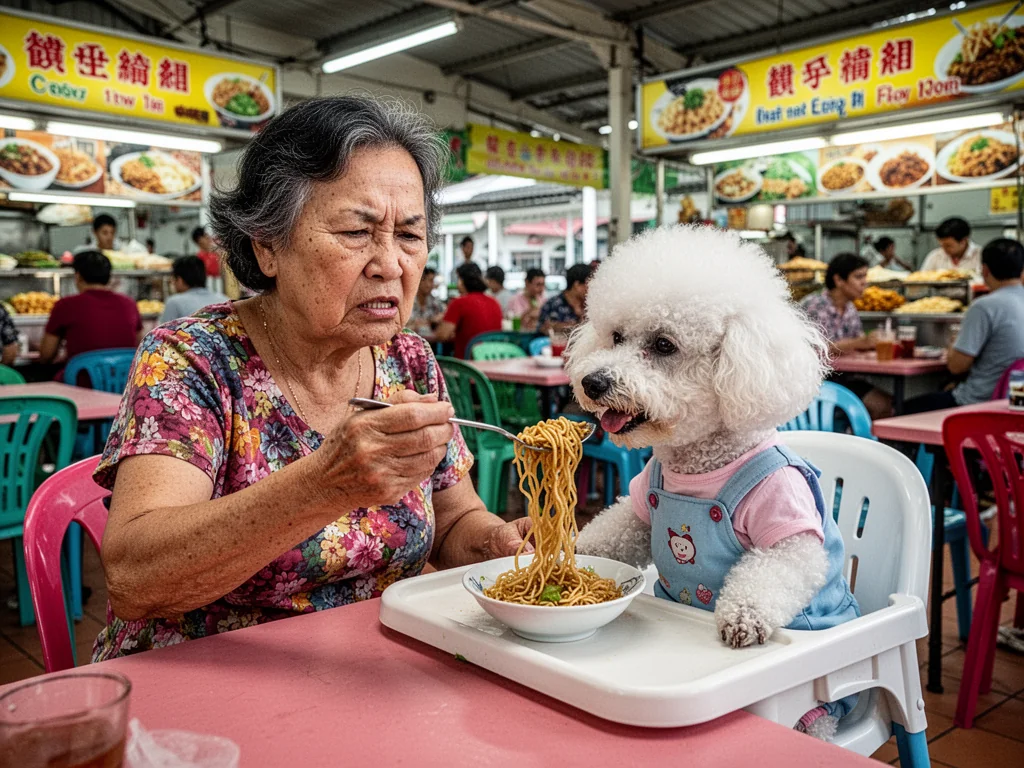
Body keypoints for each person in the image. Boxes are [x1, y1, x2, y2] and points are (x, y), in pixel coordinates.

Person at [91, 96, 530, 662]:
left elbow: (454, 520)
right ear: (268, 245)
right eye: (356, 231)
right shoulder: (192, 360)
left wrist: (493, 541)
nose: (391, 264)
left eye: (410, 236)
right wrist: (326, 484)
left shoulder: (411, 361)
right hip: (198, 681)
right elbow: (134, 579)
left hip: (364, 672)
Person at [903, 238, 1024, 413]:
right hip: (1014, 401)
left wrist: (954, 344)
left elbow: (957, 366)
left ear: (985, 270)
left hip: (980, 402)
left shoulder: (984, 306)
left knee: (903, 409)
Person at [800, 253, 891, 419]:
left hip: (845, 377)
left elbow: (859, 342)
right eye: (858, 277)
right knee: (881, 405)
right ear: (839, 280)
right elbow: (819, 348)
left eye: (865, 276)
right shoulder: (816, 305)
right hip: (818, 380)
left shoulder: (850, 309)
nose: (865, 282)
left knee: (888, 403)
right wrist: (861, 342)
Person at [39, 250, 142, 374]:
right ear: (109, 277)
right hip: (124, 384)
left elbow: (46, 355)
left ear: (78, 276)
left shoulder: (65, 305)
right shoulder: (129, 304)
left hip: (80, 385)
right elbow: (140, 346)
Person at [435, 262, 502, 358]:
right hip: (492, 361)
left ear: (462, 281)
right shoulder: (494, 302)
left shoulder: (459, 303)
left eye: (458, 279)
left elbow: (442, 335)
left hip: (466, 367)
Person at [159, 256, 229, 323]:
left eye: (173, 279)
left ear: (179, 280)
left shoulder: (174, 302)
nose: (172, 283)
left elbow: (161, 333)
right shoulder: (224, 300)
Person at [539, 263, 591, 334]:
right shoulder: (553, 305)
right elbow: (543, 329)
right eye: (588, 284)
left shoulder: (590, 305)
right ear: (577, 285)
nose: (591, 288)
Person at [408, 266, 445, 335]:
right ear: (420, 281)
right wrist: (430, 321)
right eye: (430, 281)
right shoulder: (408, 301)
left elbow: (444, 315)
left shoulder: (434, 301)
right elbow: (407, 325)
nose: (432, 285)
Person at [507, 267, 546, 332]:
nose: (541, 288)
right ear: (527, 283)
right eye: (538, 284)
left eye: (543, 284)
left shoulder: (544, 300)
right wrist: (527, 313)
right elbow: (511, 324)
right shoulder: (515, 300)